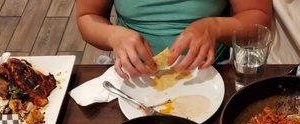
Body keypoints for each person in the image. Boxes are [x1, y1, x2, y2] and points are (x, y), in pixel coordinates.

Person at [76, 0, 272, 79]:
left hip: (209, 74)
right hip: (134, 75)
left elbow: (257, 15)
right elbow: (87, 17)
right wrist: (113, 35)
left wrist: (215, 27)